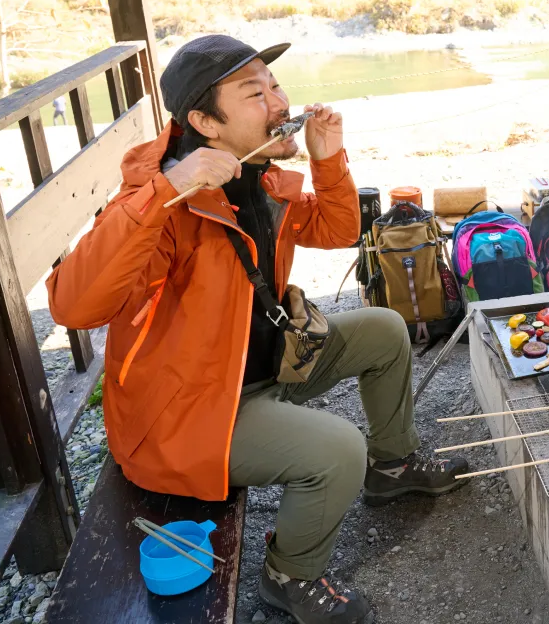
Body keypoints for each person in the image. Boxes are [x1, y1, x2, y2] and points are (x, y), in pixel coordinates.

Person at [46, 35, 470, 624]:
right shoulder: (162, 202)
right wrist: (167, 191)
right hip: (185, 414)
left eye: (274, 85)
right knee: (336, 448)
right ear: (203, 122)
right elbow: (72, 304)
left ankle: (393, 466)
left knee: (382, 330)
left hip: (260, 369)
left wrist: (327, 158)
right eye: (254, 92)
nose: (278, 100)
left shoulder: (260, 175)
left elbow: (337, 229)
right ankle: (289, 575)